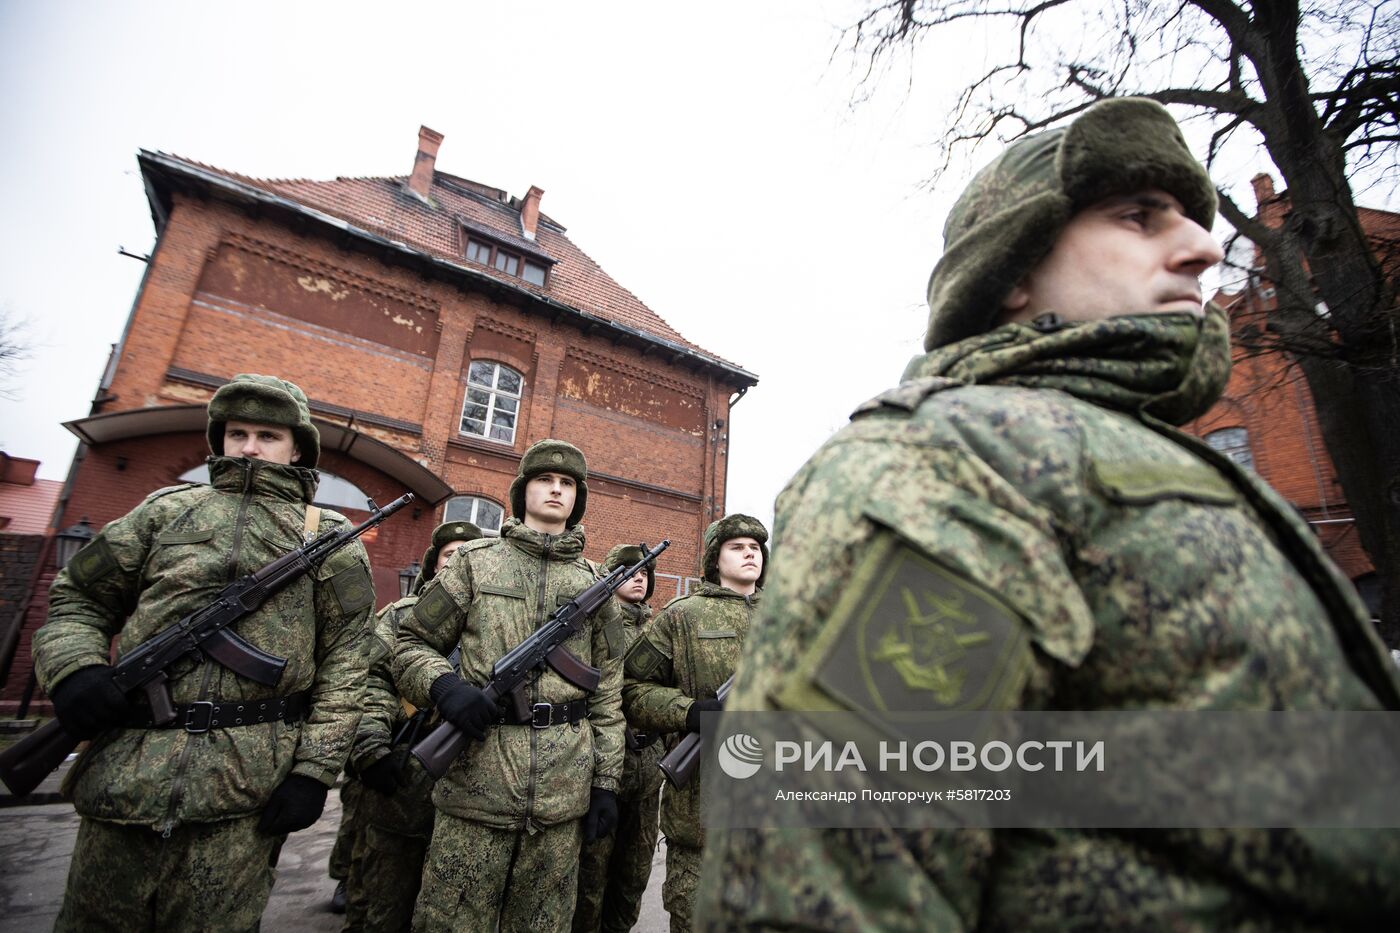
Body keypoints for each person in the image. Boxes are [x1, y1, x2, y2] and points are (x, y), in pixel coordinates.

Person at [693, 97, 1400, 929]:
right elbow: (827, 884)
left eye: (1191, 219)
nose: (1204, 247)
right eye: (1138, 216)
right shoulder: (952, 462)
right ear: (1013, 271)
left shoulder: (1147, 455)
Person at [34, 374, 375, 931]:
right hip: (128, 776)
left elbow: (348, 660)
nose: (249, 448)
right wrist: (75, 669)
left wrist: (314, 771)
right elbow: (78, 599)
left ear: (297, 449)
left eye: (268, 436)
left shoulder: (327, 536)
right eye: (237, 433)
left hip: (245, 786)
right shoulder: (163, 513)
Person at [394, 439, 626, 933]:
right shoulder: (474, 562)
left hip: (562, 794)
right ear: (523, 491)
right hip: (476, 786)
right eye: (545, 480)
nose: (556, 490)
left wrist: (606, 782)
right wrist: (444, 688)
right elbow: (410, 643)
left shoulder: (597, 585)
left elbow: (607, 693)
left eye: (567, 484)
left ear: (578, 498)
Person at [623, 514, 767, 933]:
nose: (749, 554)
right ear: (715, 559)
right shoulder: (683, 616)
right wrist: (688, 712)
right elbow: (631, 688)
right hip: (703, 815)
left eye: (755, 548)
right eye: (737, 547)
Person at [340, 519, 481, 932]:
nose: (458, 562)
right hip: (403, 771)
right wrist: (371, 749)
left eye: (468, 556)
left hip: (472, 781)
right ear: (434, 564)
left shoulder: (493, 624)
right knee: (381, 902)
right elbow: (368, 680)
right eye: (451, 555)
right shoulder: (401, 615)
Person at [572, 544, 667, 933]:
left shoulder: (660, 630)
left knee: (634, 874)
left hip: (648, 770)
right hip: (602, 766)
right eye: (629, 571)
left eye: (644, 572)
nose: (639, 577)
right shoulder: (593, 625)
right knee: (591, 874)